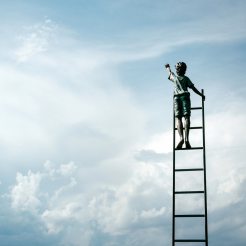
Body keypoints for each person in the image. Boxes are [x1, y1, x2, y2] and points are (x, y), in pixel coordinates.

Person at [165, 62, 205, 149]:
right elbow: (193, 88)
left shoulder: (175, 78)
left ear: (177, 70)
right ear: (184, 70)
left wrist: (167, 68)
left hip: (176, 98)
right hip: (185, 97)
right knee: (186, 117)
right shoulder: (186, 78)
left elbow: (170, 73)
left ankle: (181, 138)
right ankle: (186, 139)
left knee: (178, 118)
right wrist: (201, 95)